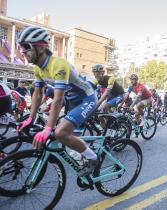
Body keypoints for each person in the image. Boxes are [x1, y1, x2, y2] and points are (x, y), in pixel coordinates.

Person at [17, 26, 99, 177]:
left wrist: (48, 128)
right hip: (72, 101)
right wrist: (30, 117)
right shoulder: (38, 69)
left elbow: (58, 99)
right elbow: (38, 93)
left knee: (60, 132)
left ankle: (93, 158)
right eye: (20, 47)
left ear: (41, 48)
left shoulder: (59, 65)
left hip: (87, 99)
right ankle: (80, 154)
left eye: (26, 47)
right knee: (62, 134)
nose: (22, 51)